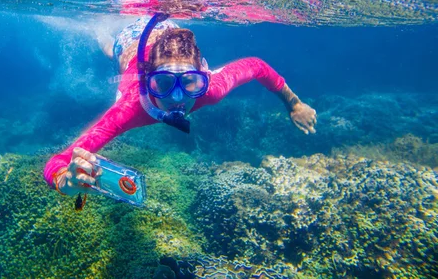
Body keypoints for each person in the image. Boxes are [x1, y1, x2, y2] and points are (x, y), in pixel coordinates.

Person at [45, 14, 317, 197]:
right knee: (110, 50)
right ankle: (99, 32)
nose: (177, 98)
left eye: (190, 83)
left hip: (166, 32)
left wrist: (295, 104)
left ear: (203, 79)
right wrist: (63, 181)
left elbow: (257, 67)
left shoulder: (211, 89)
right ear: (147, 81)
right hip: (128, 42)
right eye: (162, 84)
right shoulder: (130, 107)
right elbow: (56, 162)